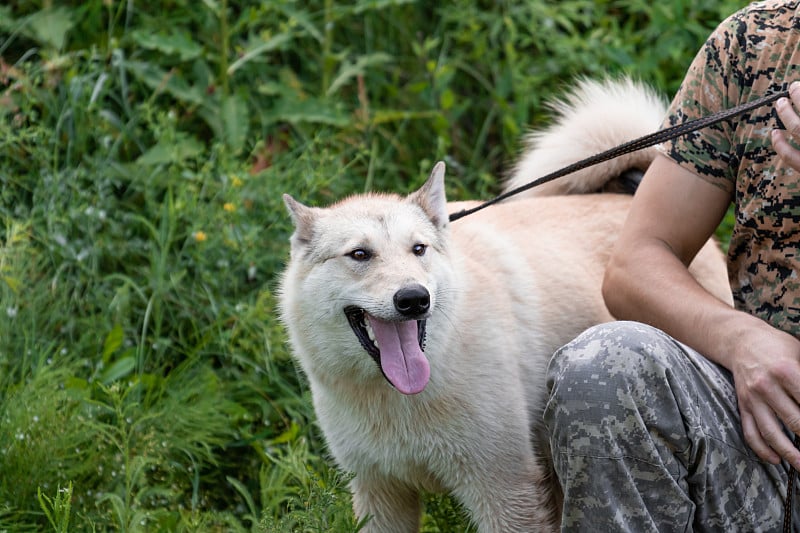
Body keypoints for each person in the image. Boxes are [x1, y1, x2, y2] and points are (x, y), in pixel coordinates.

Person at [544, 1, 800, 531]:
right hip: (769, 438)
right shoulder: (758, 41)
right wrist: (741, 340)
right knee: (603, 366)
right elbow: (635, 264)